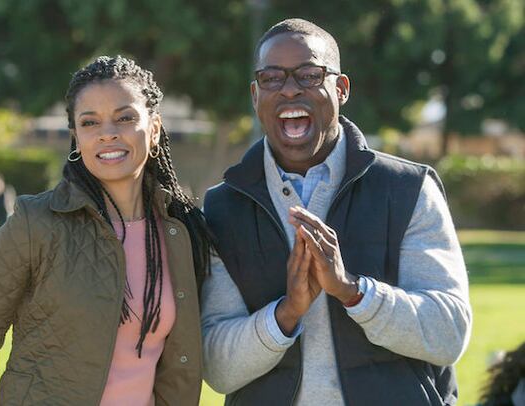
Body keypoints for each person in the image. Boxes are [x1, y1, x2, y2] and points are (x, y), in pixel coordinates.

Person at [202, 18, 472, 405]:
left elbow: (449, 333)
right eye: (272, 78)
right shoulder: (222, 208)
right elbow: (217, 368)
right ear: (255, 94)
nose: (290, 89)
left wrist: (352, 292)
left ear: (341, 88)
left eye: (310, 75)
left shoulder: (408, 189)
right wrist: (286, 314)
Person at [0, 56, 212, 406]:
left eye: (125, 117)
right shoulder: (35, 222)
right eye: (90, 122)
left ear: (155, 128)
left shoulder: (182, 230)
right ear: (76, 137)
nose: (107, 133)